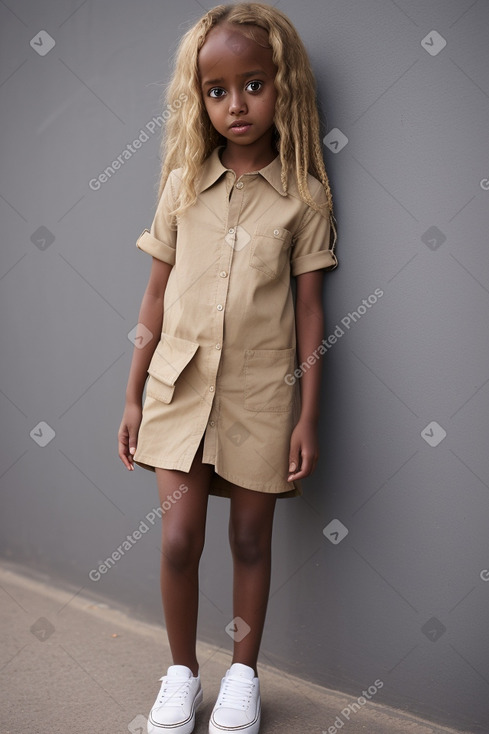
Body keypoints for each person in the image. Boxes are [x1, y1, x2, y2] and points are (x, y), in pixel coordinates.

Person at [118, 3, 338, 733]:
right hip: (176, 387)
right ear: (199, 98)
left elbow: (310, 312)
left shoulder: (303, 196)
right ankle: (181, 673)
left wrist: (307, 413)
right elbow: (153, 296)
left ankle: (243, 674)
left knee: (250, 541)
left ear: (284, 88)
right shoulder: (181, 184)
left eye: (252, 85)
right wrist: (131, 399)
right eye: (217, 91)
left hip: (261, 393)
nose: (235, 104)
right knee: (179, 539)